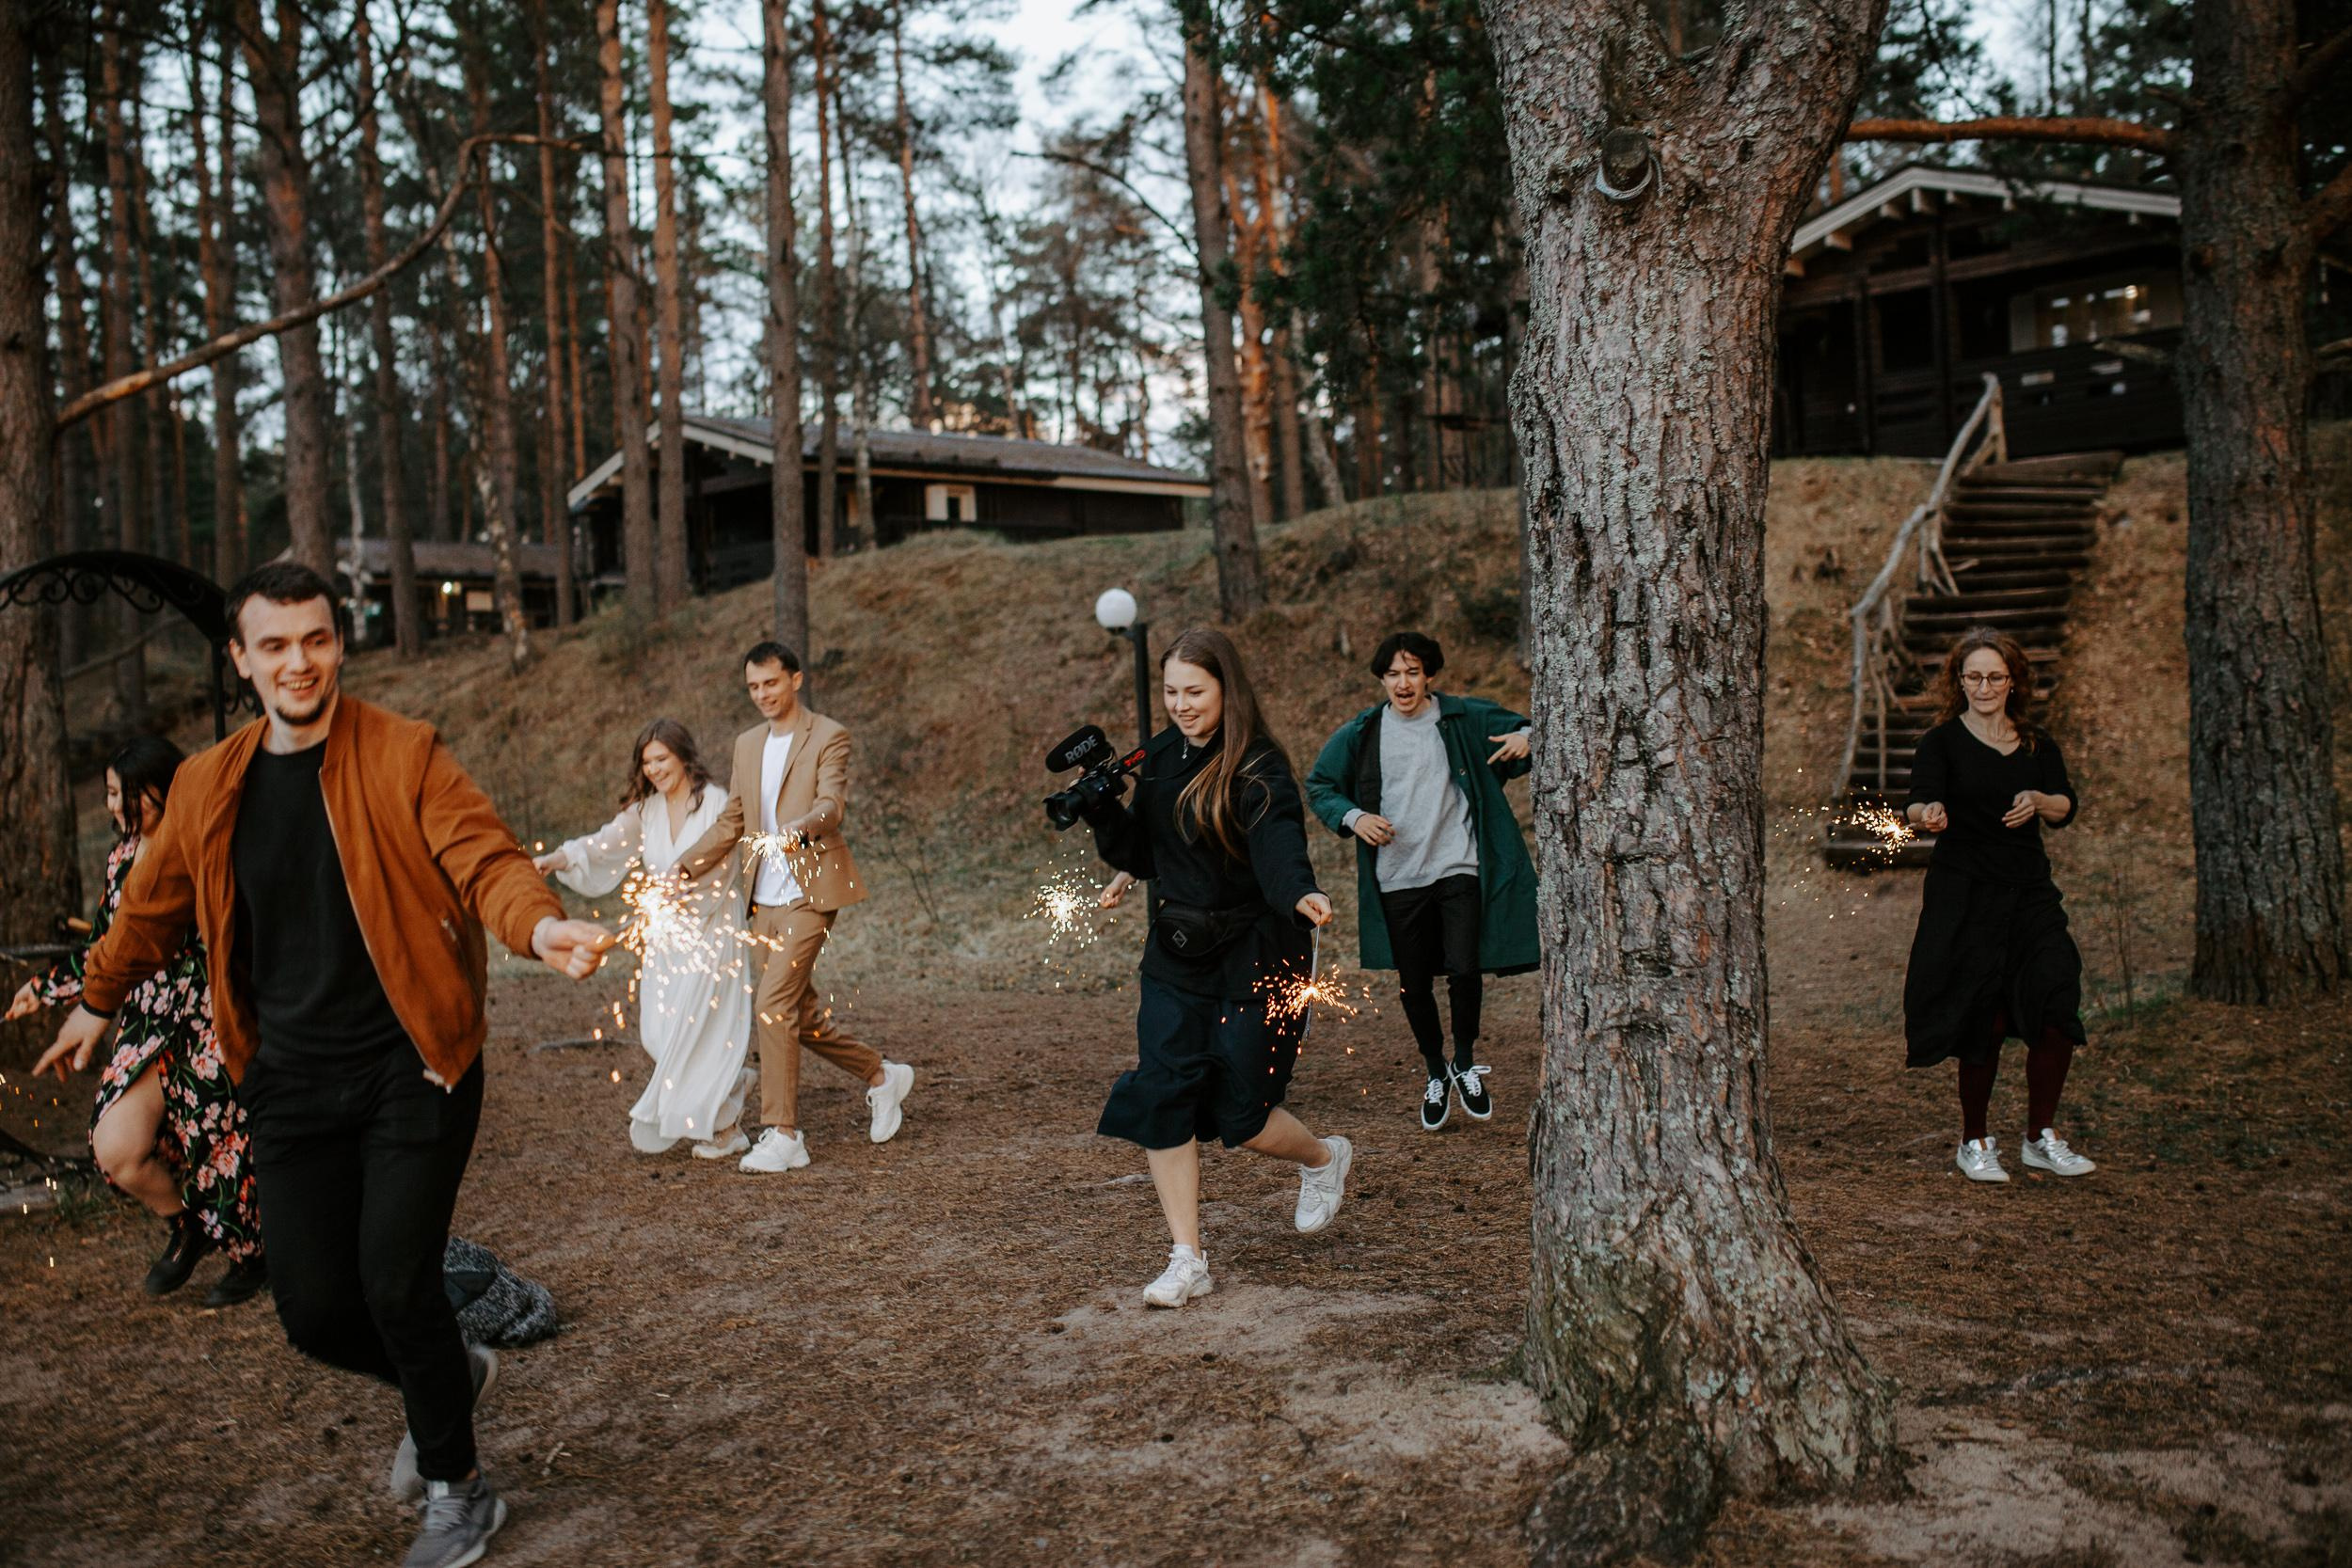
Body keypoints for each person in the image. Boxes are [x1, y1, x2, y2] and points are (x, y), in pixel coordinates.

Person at [40, 563, 613, 1568]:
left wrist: (542, 924)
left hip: (414, 1062)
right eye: (274, 644)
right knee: (311, 1309)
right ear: (241, 659)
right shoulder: (211, 783)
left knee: (396, 1282)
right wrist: (95, 998)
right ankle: (448, 1374)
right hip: (289, 1077)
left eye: (315, 639)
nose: (297, 661)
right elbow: (150, 905)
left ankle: (459, 1490)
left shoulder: (403, 754)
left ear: (339, 643)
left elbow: (484, 857)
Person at [1086, 626, 1352, 1309]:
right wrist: (1106, 821)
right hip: (1177, 956)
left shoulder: (1258, 765)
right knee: (1163, 1093)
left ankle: (1322, 1159)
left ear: (1227, 690)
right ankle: (1187, 1256)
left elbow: (1276, 844)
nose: (1180, 703)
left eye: (1194, 691)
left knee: (1245, 1115)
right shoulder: (1164, 756)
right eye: (1171, 691)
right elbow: (1148, 851)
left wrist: (1302, 890)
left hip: (1256, 955)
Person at [12, 736, 265, 1308]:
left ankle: (252, 1256)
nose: (113, 806)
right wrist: (47, 987)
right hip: (145, 1019)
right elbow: (111, 946)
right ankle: (188, 1224)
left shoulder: (206, 843)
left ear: (165, 789)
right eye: (108, 793)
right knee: (116, 1146)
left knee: (215, 1139)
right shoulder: (122, 857)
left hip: (206, 1013)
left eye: (124, 794)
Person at [671, 640, 914, 1174]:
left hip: (811, 894)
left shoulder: (829, 735)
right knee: (799, 1017)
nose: (762, 695)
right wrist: (686, 865)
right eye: (754, 687)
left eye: (771, 683)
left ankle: (784, 1134)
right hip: (763, 900)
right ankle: (882, 1075)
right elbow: (733, 819)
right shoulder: (746, 744)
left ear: (796, 680)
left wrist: (801, 828)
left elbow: (831, 802)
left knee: (772, 1006)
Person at [1304, 632, 1538, 1132]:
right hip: (1397, 875)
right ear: (1382, 680)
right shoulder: (1364, 732)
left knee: (1463, 967)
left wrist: (1529, 735)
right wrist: (1352, 817)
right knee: (1414, 984)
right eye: (1393, 674)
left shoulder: (1461, 717)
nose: (1403, 683)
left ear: (1429, 675)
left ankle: (1466, 1060)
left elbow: (1527, 728)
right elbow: (1320, 786)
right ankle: (1436, 1071)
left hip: (1458, 864)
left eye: (1412, 672)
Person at [1901, 626, 2097, 1184]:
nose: (1983, 686)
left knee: (2058, 1002)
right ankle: (1974, 1141)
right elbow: (1917, 802)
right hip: (1967, 896)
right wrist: (1929, 813)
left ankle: (2040, 1138)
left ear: (2013, 681)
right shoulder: (1940, 743)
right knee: (1983, 1019)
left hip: (2030, 895)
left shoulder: (2037, 745)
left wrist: (2039, 799)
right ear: (1958, 682)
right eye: (1973, 676)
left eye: (1994, 676)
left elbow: (2065, 806)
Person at [534, 719, 754, 1159]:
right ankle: (733, 1081)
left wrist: (687, 889)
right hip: (664, 937)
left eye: (661, 759)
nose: (653, 769)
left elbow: (730, 862)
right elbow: (605, 844)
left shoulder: (714, 802)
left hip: (711, 930)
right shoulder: (646, 811)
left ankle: (727, 1130)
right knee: (658, 1033)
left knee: (698, 1030)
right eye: (646, 761)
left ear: (683, 756)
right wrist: (558, 858)